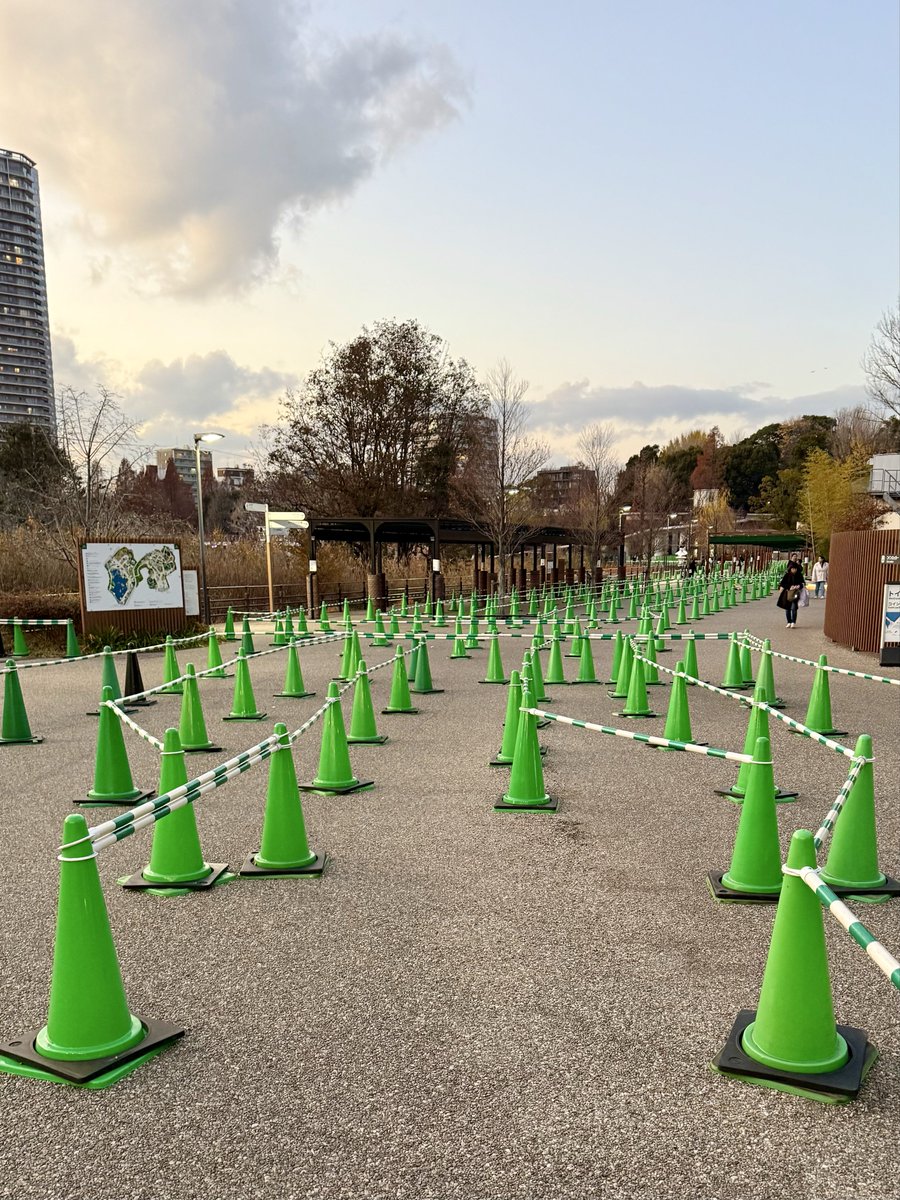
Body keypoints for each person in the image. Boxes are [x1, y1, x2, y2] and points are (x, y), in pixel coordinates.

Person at [777, 558, 805, 627]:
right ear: (790, 569)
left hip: (795, 593)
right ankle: (788, 621)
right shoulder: (787, 575)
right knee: (787, 608)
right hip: (787, 594)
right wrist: (790, 587)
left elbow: (803, 583)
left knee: (794, 608)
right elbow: (782, 584)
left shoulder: (799, 575)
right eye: (792, 568)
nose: (794, 570)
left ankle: (793, 622)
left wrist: (798, 586)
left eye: (795, 568)